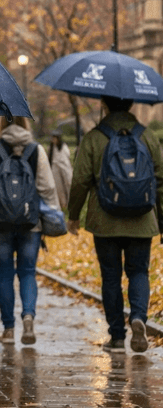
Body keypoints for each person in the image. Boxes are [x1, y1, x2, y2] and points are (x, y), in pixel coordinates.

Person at [67, 95, 163, 353]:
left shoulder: (95, 137)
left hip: (105, 220)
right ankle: (139, 317)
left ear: (105, 105)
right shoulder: (148, 136)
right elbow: (161, 179)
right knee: (139, 272)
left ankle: (117, 337)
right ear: (131, 105)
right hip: (142, 220)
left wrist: (73, 214)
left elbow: (80, 181)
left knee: (110, 277)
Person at [0, 116, 60, 346]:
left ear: (1, 125)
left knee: (4, 274)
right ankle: (29, 317)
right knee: (28, 272)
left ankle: (9, 329)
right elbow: (47, 187)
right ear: (26, 124)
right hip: (30, 223)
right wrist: (52, 214)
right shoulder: (36, 150)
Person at [49, 129, 73, 210]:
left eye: (54, 138)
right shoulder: (52, 148)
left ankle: (71, 202)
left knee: (68, 183)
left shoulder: (64, 146)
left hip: (64, 167)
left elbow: (67, 158)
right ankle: (63, 204)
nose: (53, 140)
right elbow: (50, 159)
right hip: (55, 168)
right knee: (58, 187)